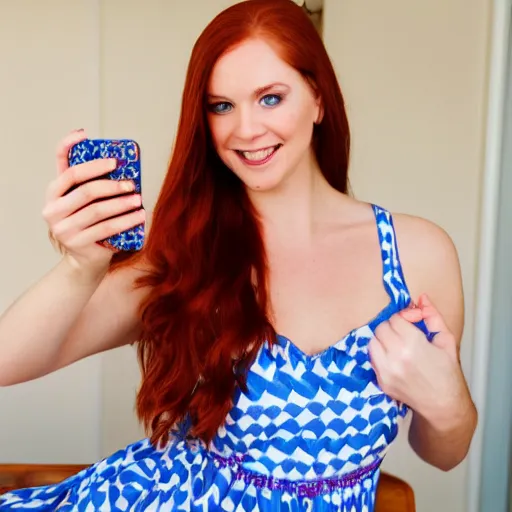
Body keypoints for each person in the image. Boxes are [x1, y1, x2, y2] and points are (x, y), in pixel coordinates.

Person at [0, 0, 477, 510]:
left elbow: (443, 453)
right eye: (221, 106)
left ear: (318, 100)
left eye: (270, 98)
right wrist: (80, 266)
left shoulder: (418, 254)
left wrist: (448, 402)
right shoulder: (188, 254)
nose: (245, 129)